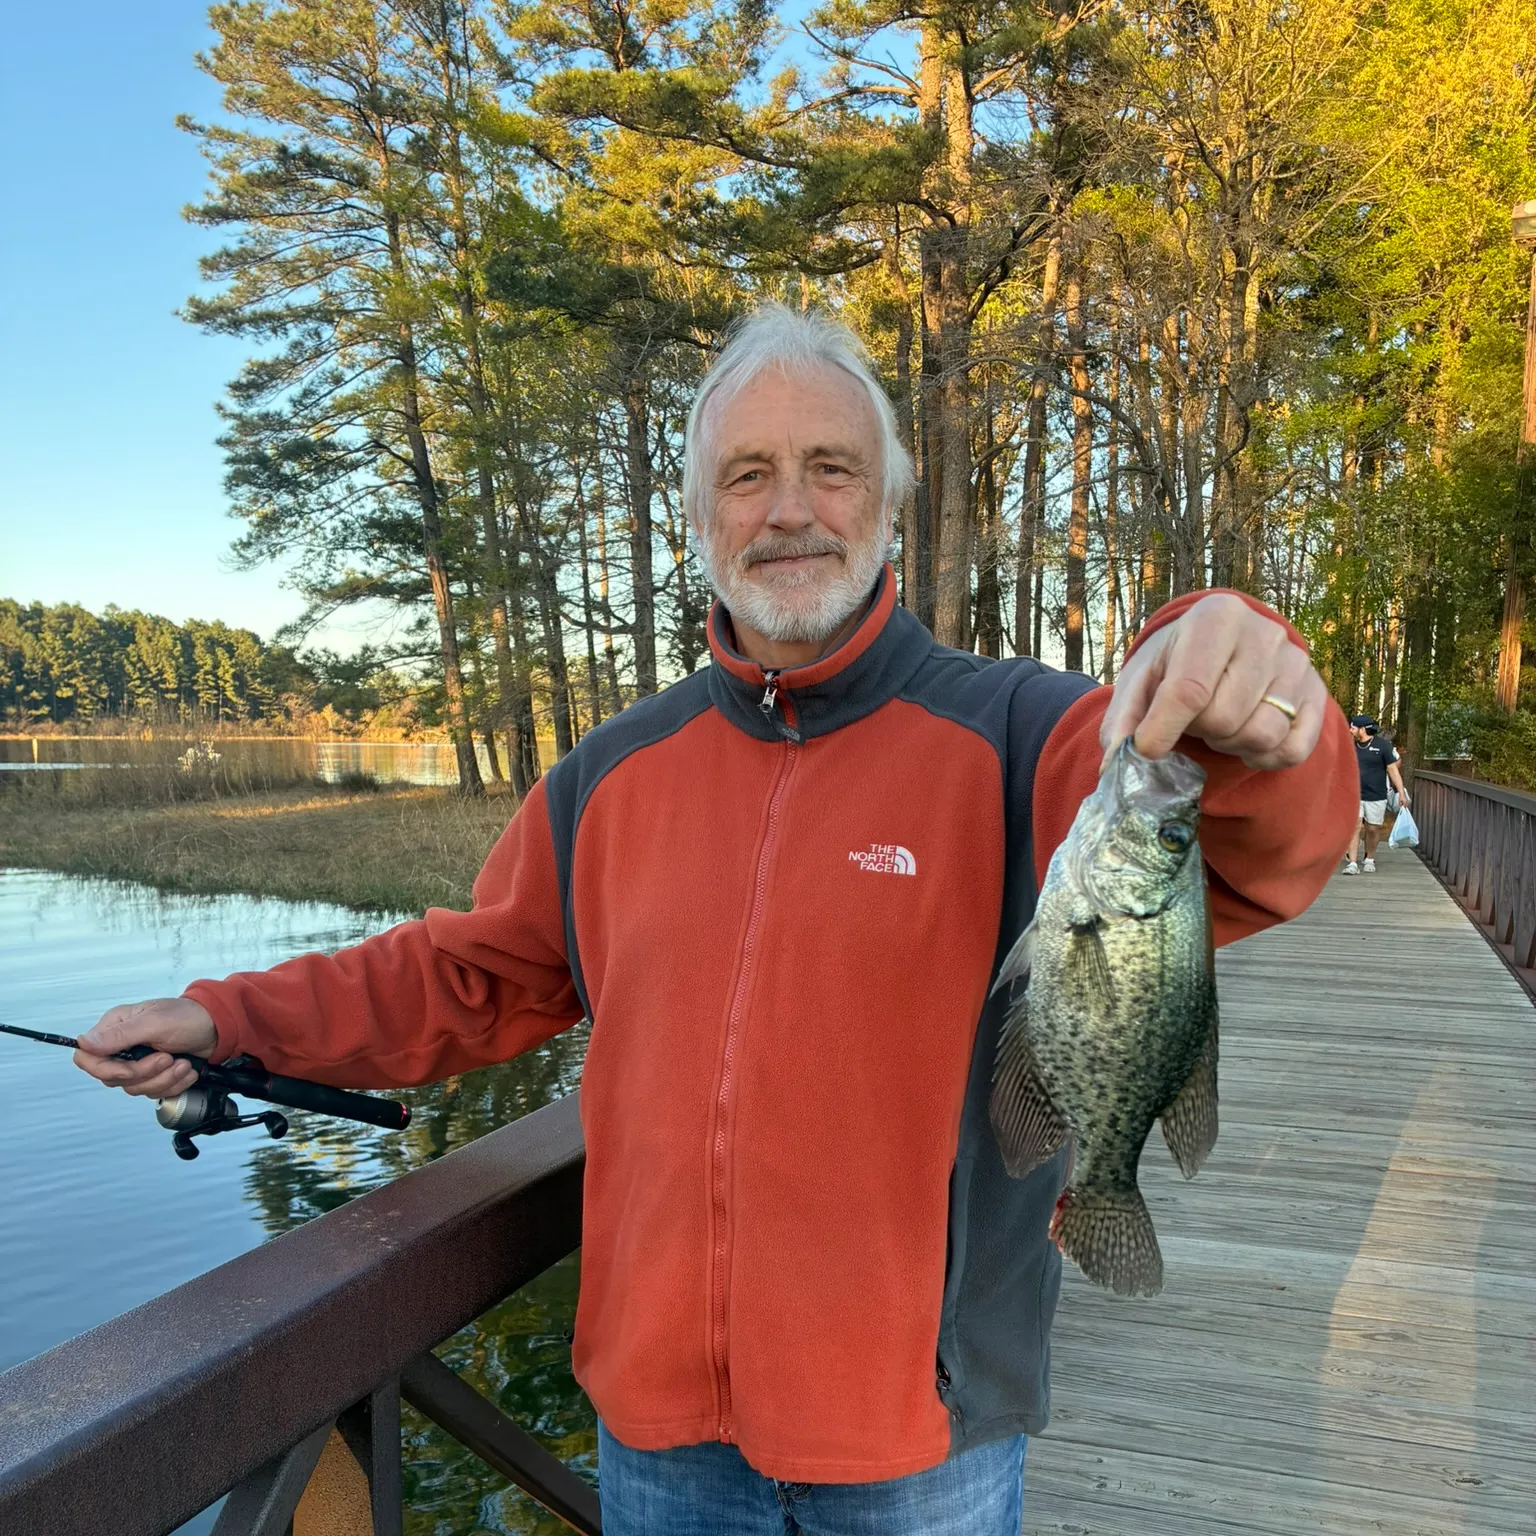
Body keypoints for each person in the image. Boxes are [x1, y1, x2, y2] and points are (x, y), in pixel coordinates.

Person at [73, 306, 1358, 1536]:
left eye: (830, 468)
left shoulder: (1023, 730)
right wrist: (226, 1020)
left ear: (889, 504)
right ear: (699, 517)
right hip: (660, 1439)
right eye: (748, 475)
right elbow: (464, 976)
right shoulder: (612, 773)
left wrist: (1240, 665)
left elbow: (1257, 848)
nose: (790, 508)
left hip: (919, 1442)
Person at [1343, 714, 1409, 874]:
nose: (1350, 730)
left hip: (1376, 795)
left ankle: (1369, 858)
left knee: (1372, 829)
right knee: (1354, 827)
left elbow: (1393, 770)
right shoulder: (1349, 746)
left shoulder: (1383, 746)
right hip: (1353, 795)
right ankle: (1352, 863)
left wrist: (1401, 792)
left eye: (1353, 727)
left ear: (1362, 729)